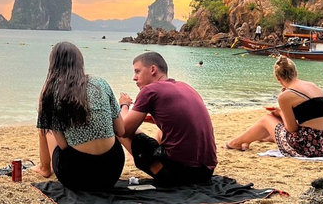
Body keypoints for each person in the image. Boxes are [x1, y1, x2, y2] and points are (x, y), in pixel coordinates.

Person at [33, 42, 125, 191]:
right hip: (111, 172)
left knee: (46, 128)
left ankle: (44, 168)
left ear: (53, 65)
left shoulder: (53, 91)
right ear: (80, 62)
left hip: (76, 177)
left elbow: (63, 146)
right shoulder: (101, 83)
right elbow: (121, 130)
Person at [118, 52, 217, 186]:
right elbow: (178, 119)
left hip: (177, 174)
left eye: (137, 72)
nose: (134, 78)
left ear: (153, 69)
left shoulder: (149, 90)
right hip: (205, 172)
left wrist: (124, 105)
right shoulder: (185, 87)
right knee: (158, 132)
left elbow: (124, 131)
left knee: (115, 127)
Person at [226, 56, 323, 157]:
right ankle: (246, 141)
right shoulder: (312, 86)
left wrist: (281, 112)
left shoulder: (285, 96)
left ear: (278, 78)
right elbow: (310, 114)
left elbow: (292, 129)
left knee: (266, 119)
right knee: (275, 118)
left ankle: (235, 142)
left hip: (307, 146)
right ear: (296, 73)